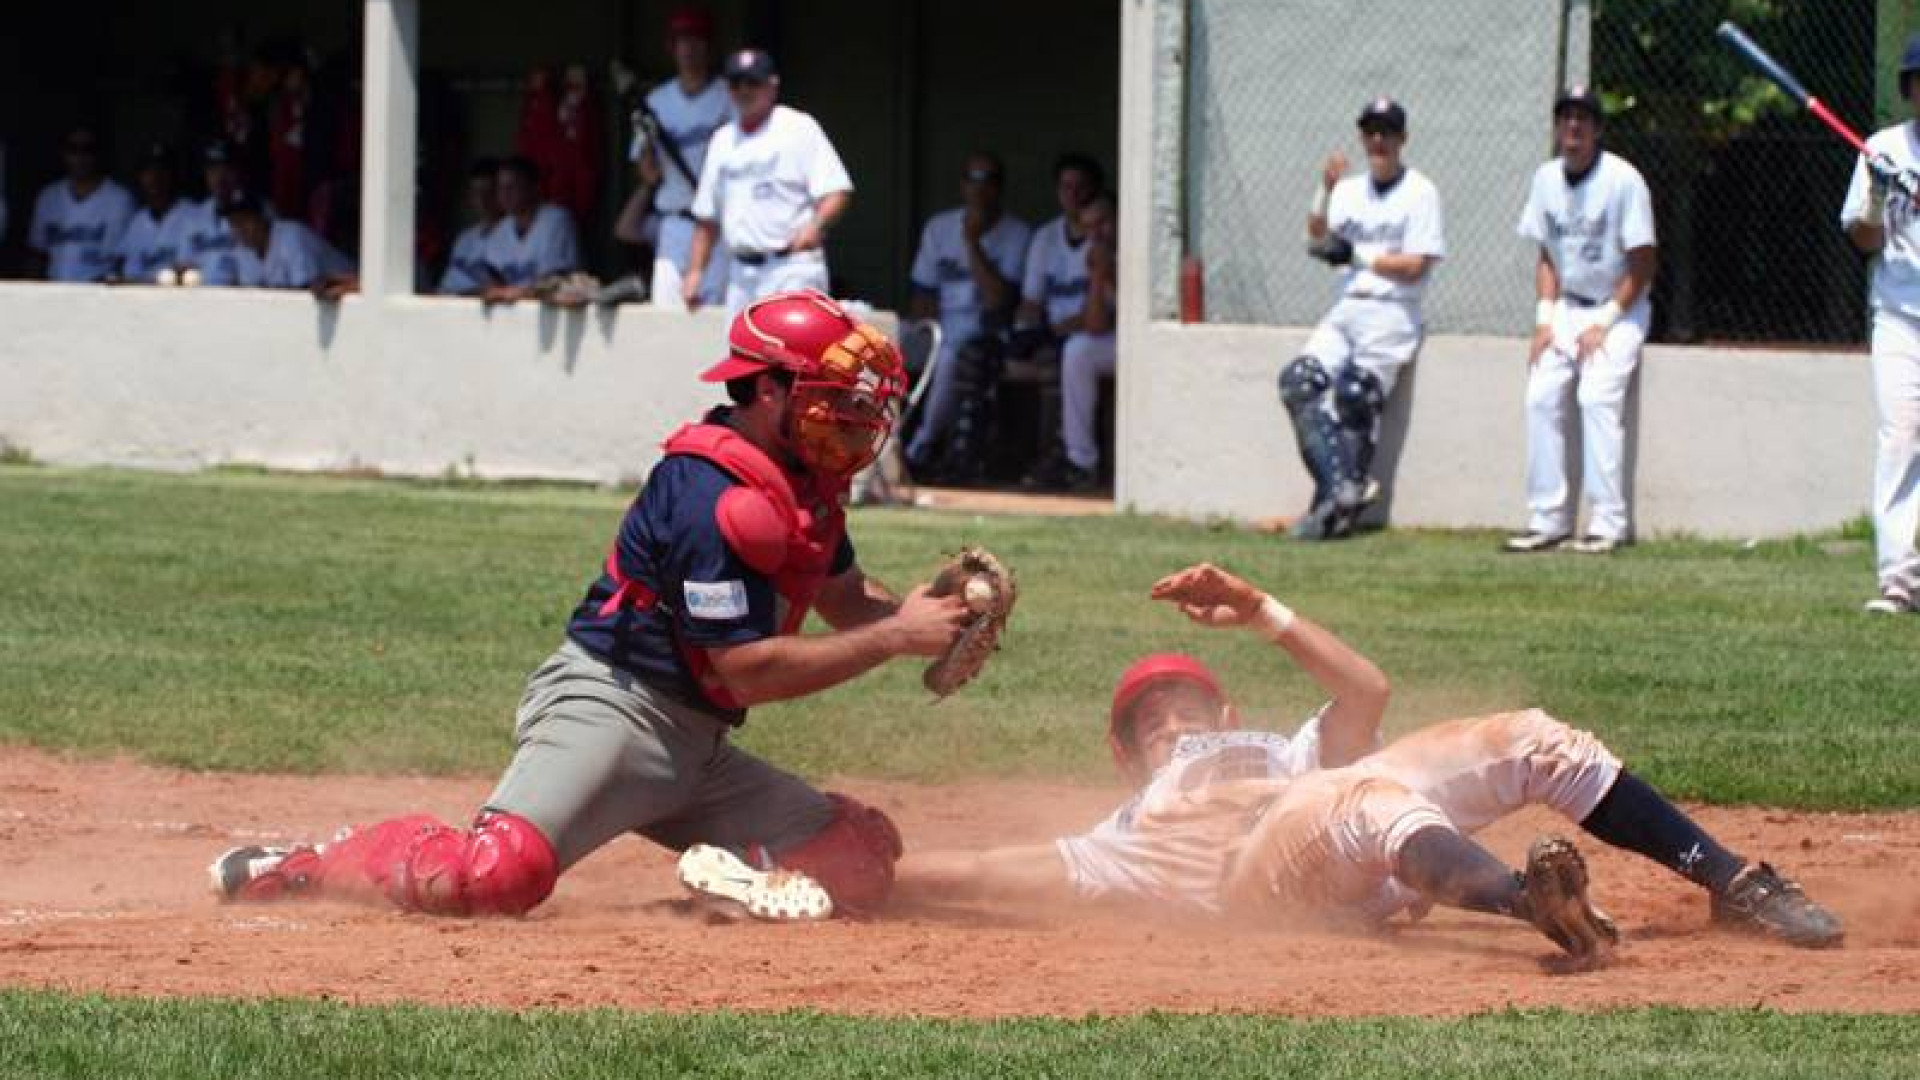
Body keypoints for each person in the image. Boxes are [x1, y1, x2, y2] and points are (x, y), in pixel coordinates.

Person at [208, 290, 973, 923]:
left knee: (859, 854)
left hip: (697, 745)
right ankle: (309, 864)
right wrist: (897, 639)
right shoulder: (710, 496)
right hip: (614, 712)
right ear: (767, 387)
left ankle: (727, 878)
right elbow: (746, 672)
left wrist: (920, 616)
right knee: (492, 878)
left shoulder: (802, 484)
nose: (848, 423)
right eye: (830, 402)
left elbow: (844, 598)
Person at [896, 563, 1843, 964]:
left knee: (1529, 736)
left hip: (1348, 812)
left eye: (1185, 701)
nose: (1169, 718)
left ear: (1226, 710)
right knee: (1357, 794)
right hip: (1270, 884)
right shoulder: (1128, 833)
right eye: (1147, 719)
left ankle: (1732, 882)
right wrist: (819, 870)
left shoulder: (1284, 747)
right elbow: (984, 872)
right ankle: (1532, 905)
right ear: (1123, 759)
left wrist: (1260, 608)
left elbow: (1366, 693)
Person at [1504, 87, 1658, 556]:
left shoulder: (1623, 180)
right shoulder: (1546, 179)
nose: (1573, 128)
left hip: (1620, 306)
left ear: (1597, 130)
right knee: (1541, 394)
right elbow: (1548, 255)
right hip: (1568, 306)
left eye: (1582, 120)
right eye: (1566, 119)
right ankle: (1547, 519)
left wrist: (1607, 320)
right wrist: (1544, 320)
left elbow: (1645, 260)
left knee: (1595, 396)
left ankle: (1607, 524)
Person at [1284, 98, 1445, 541]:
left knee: (1355, 393)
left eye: (1387, 132)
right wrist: (1324, 188)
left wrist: (1359, 255)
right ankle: (1342, 489)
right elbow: (1316, 242)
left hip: (1394, 310)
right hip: (1348, 305)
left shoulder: (1420, 191)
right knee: (1298, 381)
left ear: (1402, 138)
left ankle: (1334, 502)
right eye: (1371, 131)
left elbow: (1417, 265)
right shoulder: (1350, 190)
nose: (1378, 141)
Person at [1840, 35, 1920, 614]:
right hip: (1898, 318)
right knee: (1899, 440)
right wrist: (1877, 195)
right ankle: (1898, 578)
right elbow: (1863, 238)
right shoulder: (1883, 149)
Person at [684, 49, 852, 314]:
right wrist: (695, 273)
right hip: (741, 273)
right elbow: (707, 218)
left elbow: (836, 191)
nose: (743, 90)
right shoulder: (722, 140)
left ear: (772, 85)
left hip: (791, 268)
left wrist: (815, 226)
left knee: (793, 353)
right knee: (741, 353)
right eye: (736, 83)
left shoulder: (798, 127)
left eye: (752, 82)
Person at [900, 152, 1032, 486]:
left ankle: (920, 447)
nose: (978, 188)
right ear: (962, 185)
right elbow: (922, 294)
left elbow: (999, 300)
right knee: (878, 344)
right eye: (971, 179)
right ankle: (879, 445)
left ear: (999, 187)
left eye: (986, 179)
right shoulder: (940, 227)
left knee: (949, 355)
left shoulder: (1017, 233)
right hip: (938, 324)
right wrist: (924, 332)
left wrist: (972, 244)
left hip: (986, 329)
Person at [614, 6, 732, 311]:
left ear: (709, 46)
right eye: (682, 41)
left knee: (714, 315)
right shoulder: (656, 102)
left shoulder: (729, 96)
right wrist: (649, 151)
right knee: (668, 313)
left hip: (719, 222)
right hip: (675, 222)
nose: (690, 49)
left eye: (697, 40)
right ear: (672, 48)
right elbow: (648, 172)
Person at [1012, 154, 1103, 489]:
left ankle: (1063, 457)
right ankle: (982, 454)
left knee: (1069, 354)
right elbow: (1031, 300)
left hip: (1093, 336)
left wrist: (1055, 330)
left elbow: (1101, 317)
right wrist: (1024, 329)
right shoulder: (1047, 237)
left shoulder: (1107, 238)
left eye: (1082, 187)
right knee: (992, 354)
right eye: (1066, 186)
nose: (1074, 195)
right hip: (1052, 333)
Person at [1024, 191, 1117, 494]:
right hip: (1118, 343)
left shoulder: (1137, 246)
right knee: (1078, 350)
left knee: (1077, 347)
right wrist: (1099, 273)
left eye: (1103, 224)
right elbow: (1095, 325)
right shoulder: (1097, 255)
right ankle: (1080, 462)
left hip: (1151, 345)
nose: (1097, 234)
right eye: (1089, 227)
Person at [26, 126, 133, 282]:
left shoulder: (120, 199)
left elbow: (123, 261)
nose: (80, 156)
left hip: (99, 294)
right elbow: (36, 254)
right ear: (63, 153)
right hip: (52, 292)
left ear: (99, 154)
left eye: (88, 149)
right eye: (73, 149)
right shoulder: (48, 196)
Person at [479, 156, 582, 303]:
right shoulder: (499, 232)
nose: (505, 194)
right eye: (501, 188)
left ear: (534, 187)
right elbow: (491, 282)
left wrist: (518, 293)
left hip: (553, 314)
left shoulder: (556, 220)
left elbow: (557, 280)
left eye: (512, 187)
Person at [204, 192, 354, 290]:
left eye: (245, 220)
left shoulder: (292, 236)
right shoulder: (242, 250)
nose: (240, 229)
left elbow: (305, 294)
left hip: (353, 299)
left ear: (263, 218)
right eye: (234, 222)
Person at [112, 144, 193, 284]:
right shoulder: (138, 222)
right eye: (148, 171)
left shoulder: (193, 215)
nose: (155, 177)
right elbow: (123, 268)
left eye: (162, 170)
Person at [436, 158, 504, 295]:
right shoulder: (465, 238)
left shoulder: (512, 235)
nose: (482, 199)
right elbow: (445, 286)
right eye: (476, 192)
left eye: (489, 192)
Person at [179, 140, 249, 272]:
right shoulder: (194, 216)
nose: (220, 177)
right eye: (213, 169)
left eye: (227, 168)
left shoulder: (258, 210)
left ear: (239, 171)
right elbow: (184, 264)